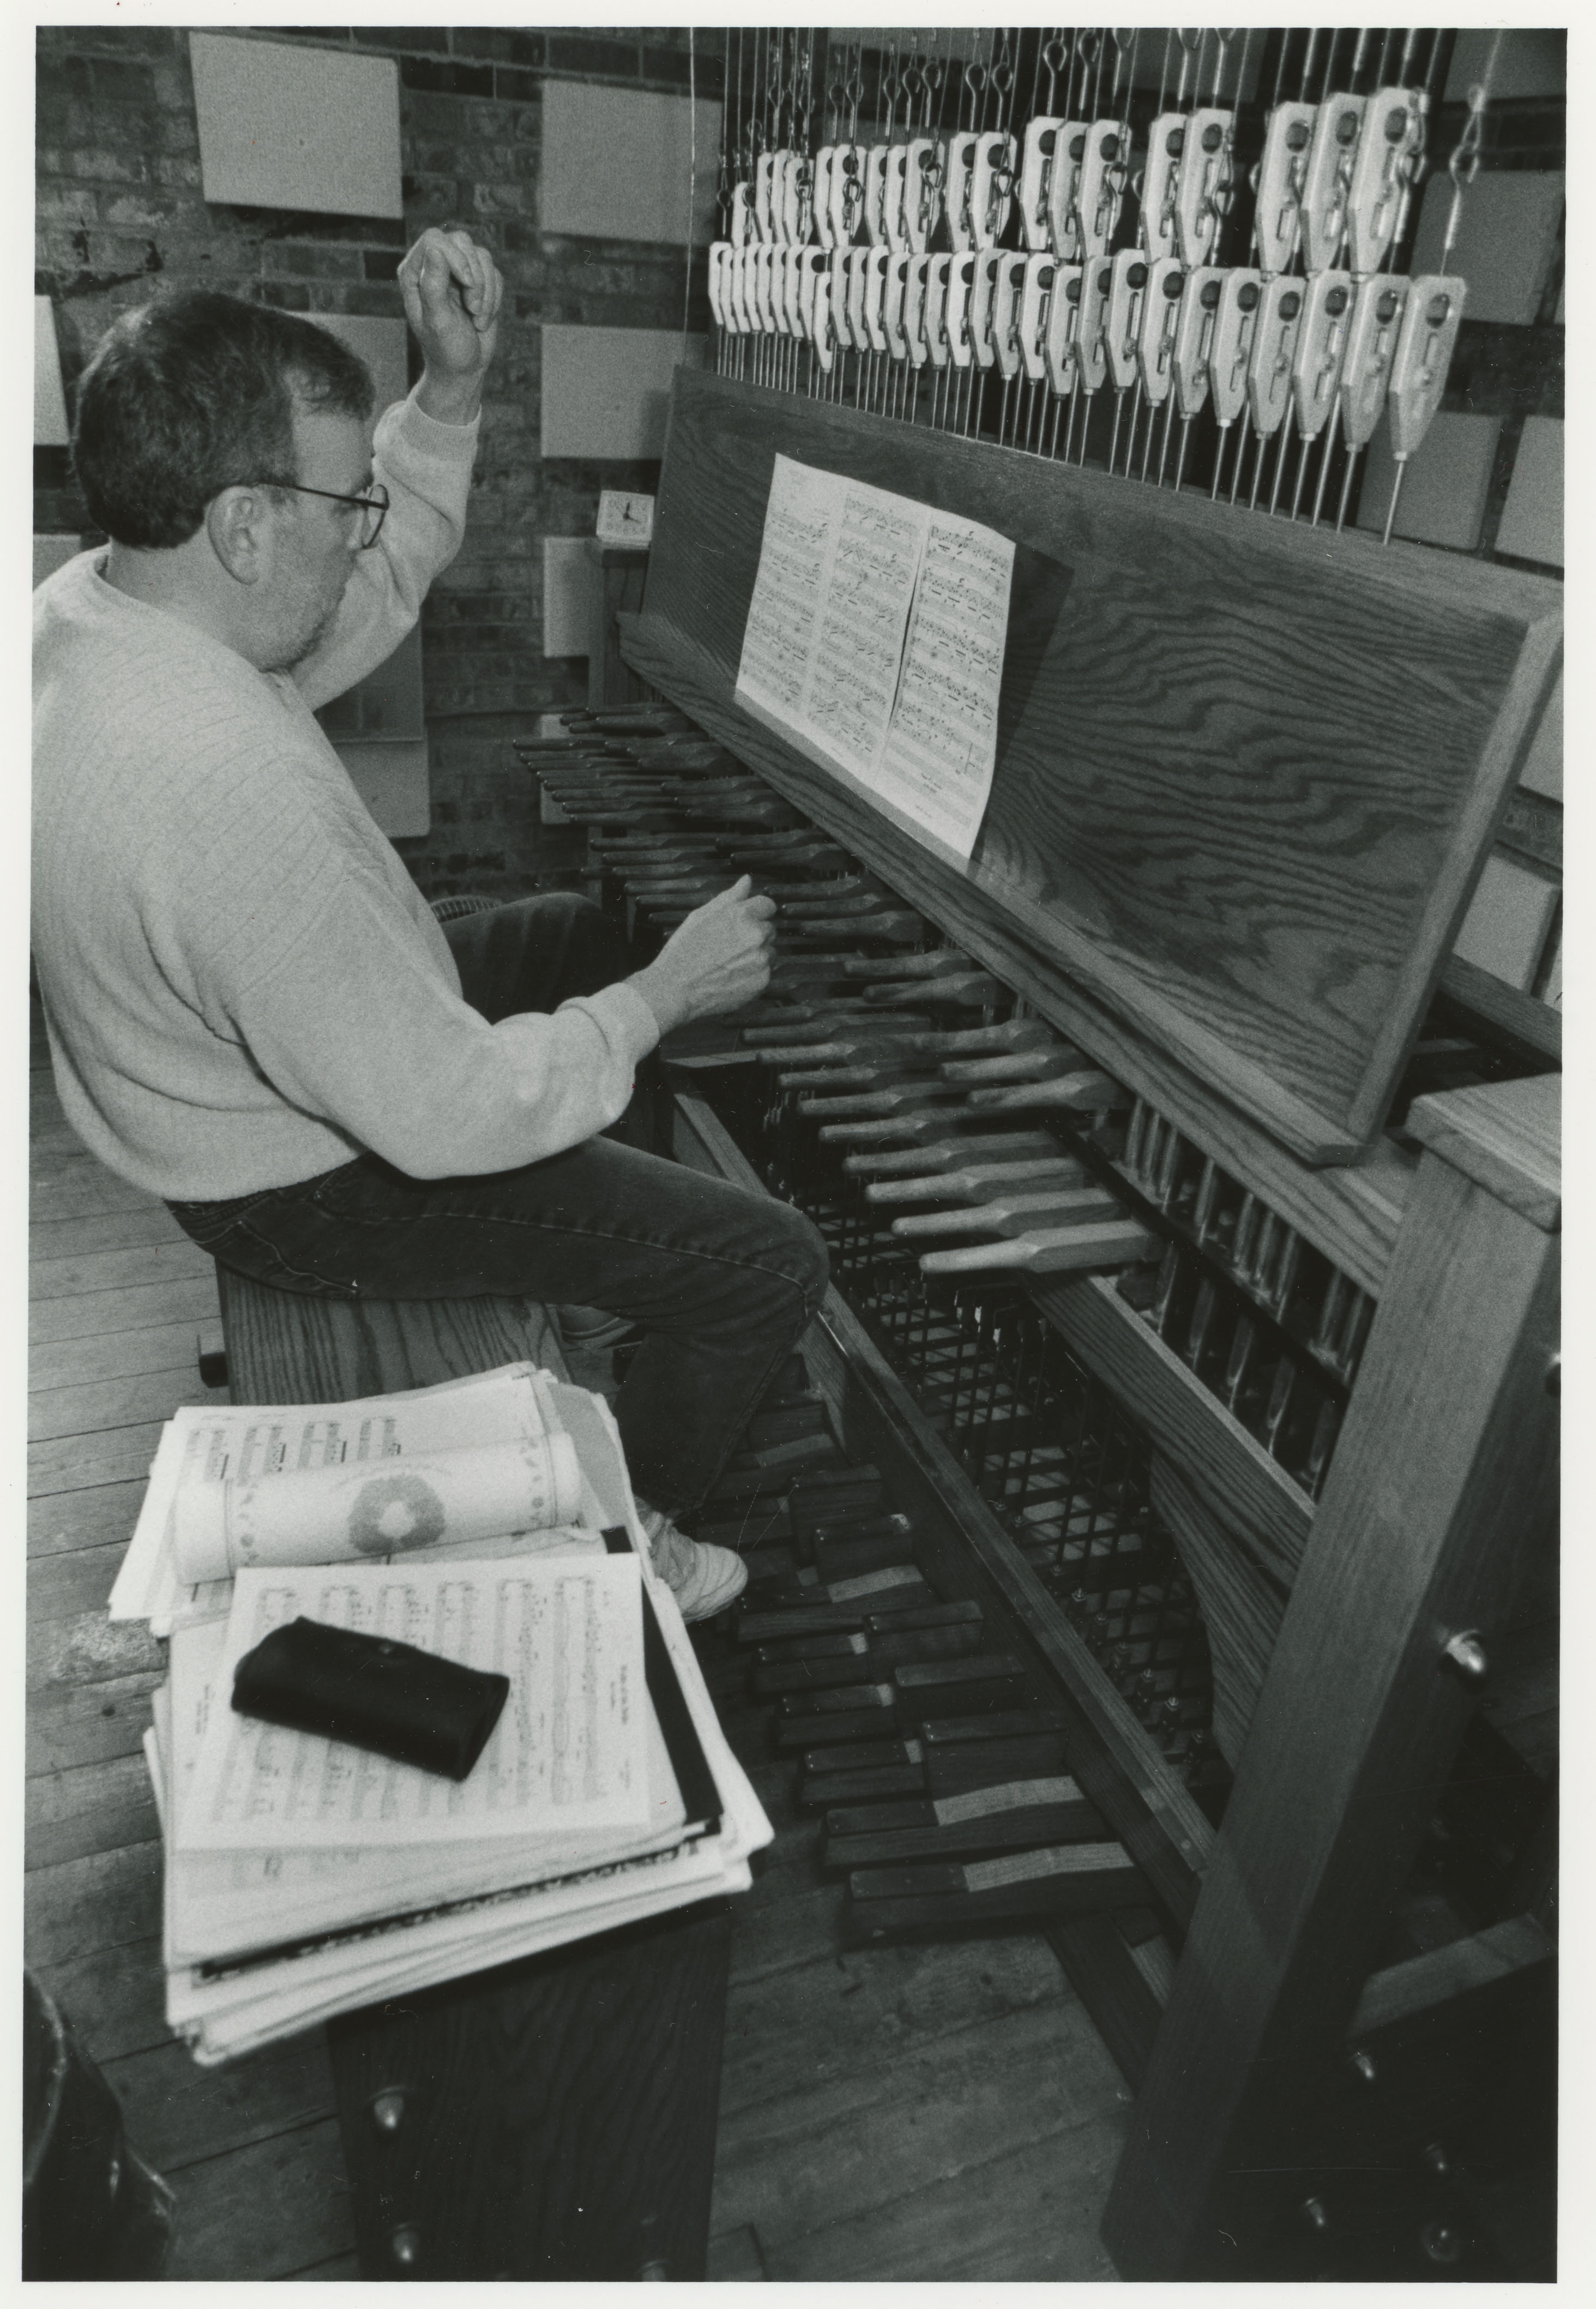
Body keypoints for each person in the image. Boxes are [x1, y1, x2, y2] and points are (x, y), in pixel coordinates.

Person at [33, 226, 829, 1620]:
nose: (365, 531)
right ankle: (621, 1529)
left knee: (575, 925)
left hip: (258, 1063)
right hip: (299, 1179)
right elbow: (447, 1110)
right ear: (243, 524)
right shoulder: (213, 790)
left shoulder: (108, 607)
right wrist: (662, 998)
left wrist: (446, 394)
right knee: (770, 1260)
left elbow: (368, 586)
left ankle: (586, 1277)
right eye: (349, 503)